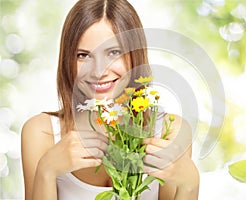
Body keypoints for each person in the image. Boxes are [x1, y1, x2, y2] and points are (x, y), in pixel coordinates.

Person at [21, 0, 200, 199]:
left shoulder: (170, 131)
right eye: (83, 55)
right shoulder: (42, 133)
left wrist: (190, 185)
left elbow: (187, 185)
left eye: (114, 52)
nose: (98, 72)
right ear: (67, 60)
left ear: (135, 54)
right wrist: (46, 170)